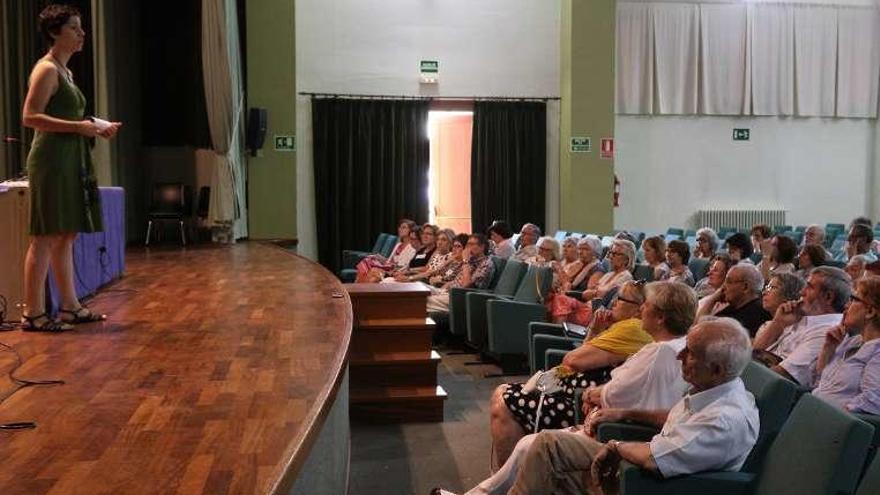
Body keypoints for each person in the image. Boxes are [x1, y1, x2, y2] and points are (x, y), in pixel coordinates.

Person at [434, 318, 759, 495]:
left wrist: (616, 445)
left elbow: (655, 458)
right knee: (547, 446)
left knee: (546, 456)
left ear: (716, 369)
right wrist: (625, 414)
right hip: (645, 467)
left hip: (654, 485)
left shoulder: (724, 419)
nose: (679, 356)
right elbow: (670, 423)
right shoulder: (711, 389)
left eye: (689, 354)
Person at [20, 4, 122, 331]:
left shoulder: (67, 72)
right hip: (51, 160)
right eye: (74, 29)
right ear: (54, 33)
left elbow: (68, 118)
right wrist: (79, 128)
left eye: (81, 28)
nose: (82, 34)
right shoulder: (46, 70)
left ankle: (69, 306)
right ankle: (33, 313)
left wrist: (93, 125)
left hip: (69, 157)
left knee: (66, 234)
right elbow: (30, 116)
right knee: (45, 236)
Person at [491, 281, 652, 466]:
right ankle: (511, 476)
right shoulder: (621, 326)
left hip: (581, 405)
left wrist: (595, 329)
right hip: (575, 395)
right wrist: (597, 328)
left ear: (639, 309)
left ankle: (508, 478)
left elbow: (573, 361)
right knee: (504, 391)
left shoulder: (632, 328)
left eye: (620, 299)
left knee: (503, 399)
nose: (613, 302)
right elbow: (582, 354)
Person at [752, 266, 851, 386]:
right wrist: (778, 323)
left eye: (809, 287)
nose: (801, 292)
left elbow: (782, 375)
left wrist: (741, 372)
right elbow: (756, 351)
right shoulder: (798, 315)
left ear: (828, 297)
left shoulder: (827, 332)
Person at [813, 275, 880, 415]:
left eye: (853, 299)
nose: (846, 306)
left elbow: (872, 401)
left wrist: (827, 416)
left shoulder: (877, 353)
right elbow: (820, 383)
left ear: (870, 311)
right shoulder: (853, 341)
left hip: (831, 425)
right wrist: (828, 349)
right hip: (813, 409)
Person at [426, 233, 495, 313]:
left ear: (482, 247)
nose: (468, 248)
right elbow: (454, 281)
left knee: (421, 301)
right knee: (420, 292)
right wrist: (440, 291)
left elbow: (466, 287)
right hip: (448, 292)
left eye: (471, 244)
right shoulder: (472, 260)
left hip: (460, 298)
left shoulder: (486, 264)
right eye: (467, 245)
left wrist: (465, 261)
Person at [697, 264, 771, 337]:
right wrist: (713, 300)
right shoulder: (734, 306)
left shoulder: (757, 313)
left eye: (728, 281)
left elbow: (700, 331)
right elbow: (698, 327)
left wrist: (712, 300)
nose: (723, 287)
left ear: (745, 287)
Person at [754, 273, 806, 343]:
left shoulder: (800, 330)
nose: (764, 292)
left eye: (772, 287)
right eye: (767, 287)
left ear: (789, 294)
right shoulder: (765, 326)